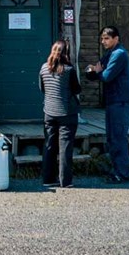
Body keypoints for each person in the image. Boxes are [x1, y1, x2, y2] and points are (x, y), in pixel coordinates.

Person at [86, 26, 129, 184]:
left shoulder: (119, 54)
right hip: (113, 100)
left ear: (116, 38)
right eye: (102, 39)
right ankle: (117, 170)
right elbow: (94, 71)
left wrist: (97, 71)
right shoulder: (110, 54)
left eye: (106, 38)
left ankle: (122, 173)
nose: (103, 41)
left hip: (120, 101)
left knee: (118, 137)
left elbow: (105, 75)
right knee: (112, 137)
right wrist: (94, 70)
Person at [39, 39, 81, 188]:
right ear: (66, 54)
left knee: (49, 145)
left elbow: (42, 88)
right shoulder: (69, 70)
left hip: (49, 112)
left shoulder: (44, 68)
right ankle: (65, 180)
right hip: (67, 112)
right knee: (65, 147)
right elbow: (77, 90)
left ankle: (47, 179)